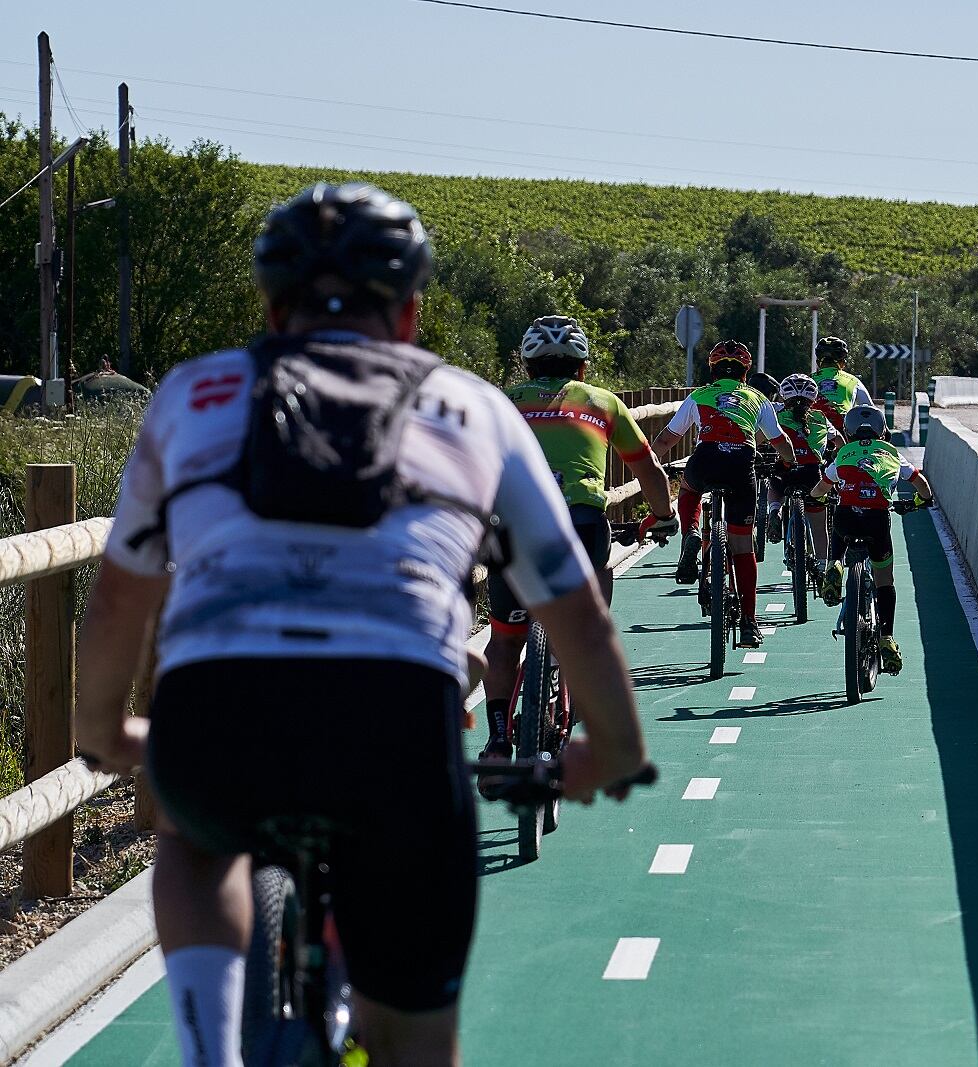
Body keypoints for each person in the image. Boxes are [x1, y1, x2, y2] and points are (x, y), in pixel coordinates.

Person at [74, 182, 650, 1067]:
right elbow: (573, 610)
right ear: (412, 311)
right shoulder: (474, 407)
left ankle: (206, 1046)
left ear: (272, 305)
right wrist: (609, 747)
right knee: (416, 1038)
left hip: (217, 707)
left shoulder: (192, 394)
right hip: (394, 720)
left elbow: (122, 594)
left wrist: (103, 730)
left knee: (195, 836)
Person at [479, 315, 678, 759]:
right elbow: (648, 470)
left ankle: (496, 740)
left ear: (526, 367)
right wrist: (663, 516)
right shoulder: (603, 402)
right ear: (583, 368)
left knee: (505, 638)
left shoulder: (500, 403)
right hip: (580, 523)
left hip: (512, 527)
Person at [650, 340, 795, 648]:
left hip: (705, 460)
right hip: (741, 465)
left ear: (713, 370)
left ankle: (690, 531)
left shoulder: (699, 396)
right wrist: (787, 462)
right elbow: (781, 442)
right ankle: (749, 624)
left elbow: (666, 439)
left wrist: (652, 464)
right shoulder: (757, 398)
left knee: (689, 488)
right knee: (743, 546)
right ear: (745, 372)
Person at [813, 403, 933, 676]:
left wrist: (816, 497)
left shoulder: (844, 453)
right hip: (877, 519)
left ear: (849, 430)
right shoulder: (892, 453)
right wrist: (919, 501)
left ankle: (835, 564)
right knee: (885, 580)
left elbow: (822, 485)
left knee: (839, 523)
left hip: (847, 517)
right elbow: (921, 485)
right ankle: (886, 637)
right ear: (882, 431)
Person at [765, 373, 841, 562]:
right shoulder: (820, 417)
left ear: (784, 395)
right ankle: (823, 566)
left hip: (786, 471)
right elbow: (840, 442)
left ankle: (775, 510)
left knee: (773, 484)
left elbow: (758, 438)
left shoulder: (777, 415)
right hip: (812, 475)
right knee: (819, 527)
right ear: (813, 398)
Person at [813, 335, 874, 432]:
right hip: (843, 429)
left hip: (813, 428)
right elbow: (871, 411)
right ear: (842, 363)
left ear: (817, 363)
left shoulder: (808, 380)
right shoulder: (853, 381)